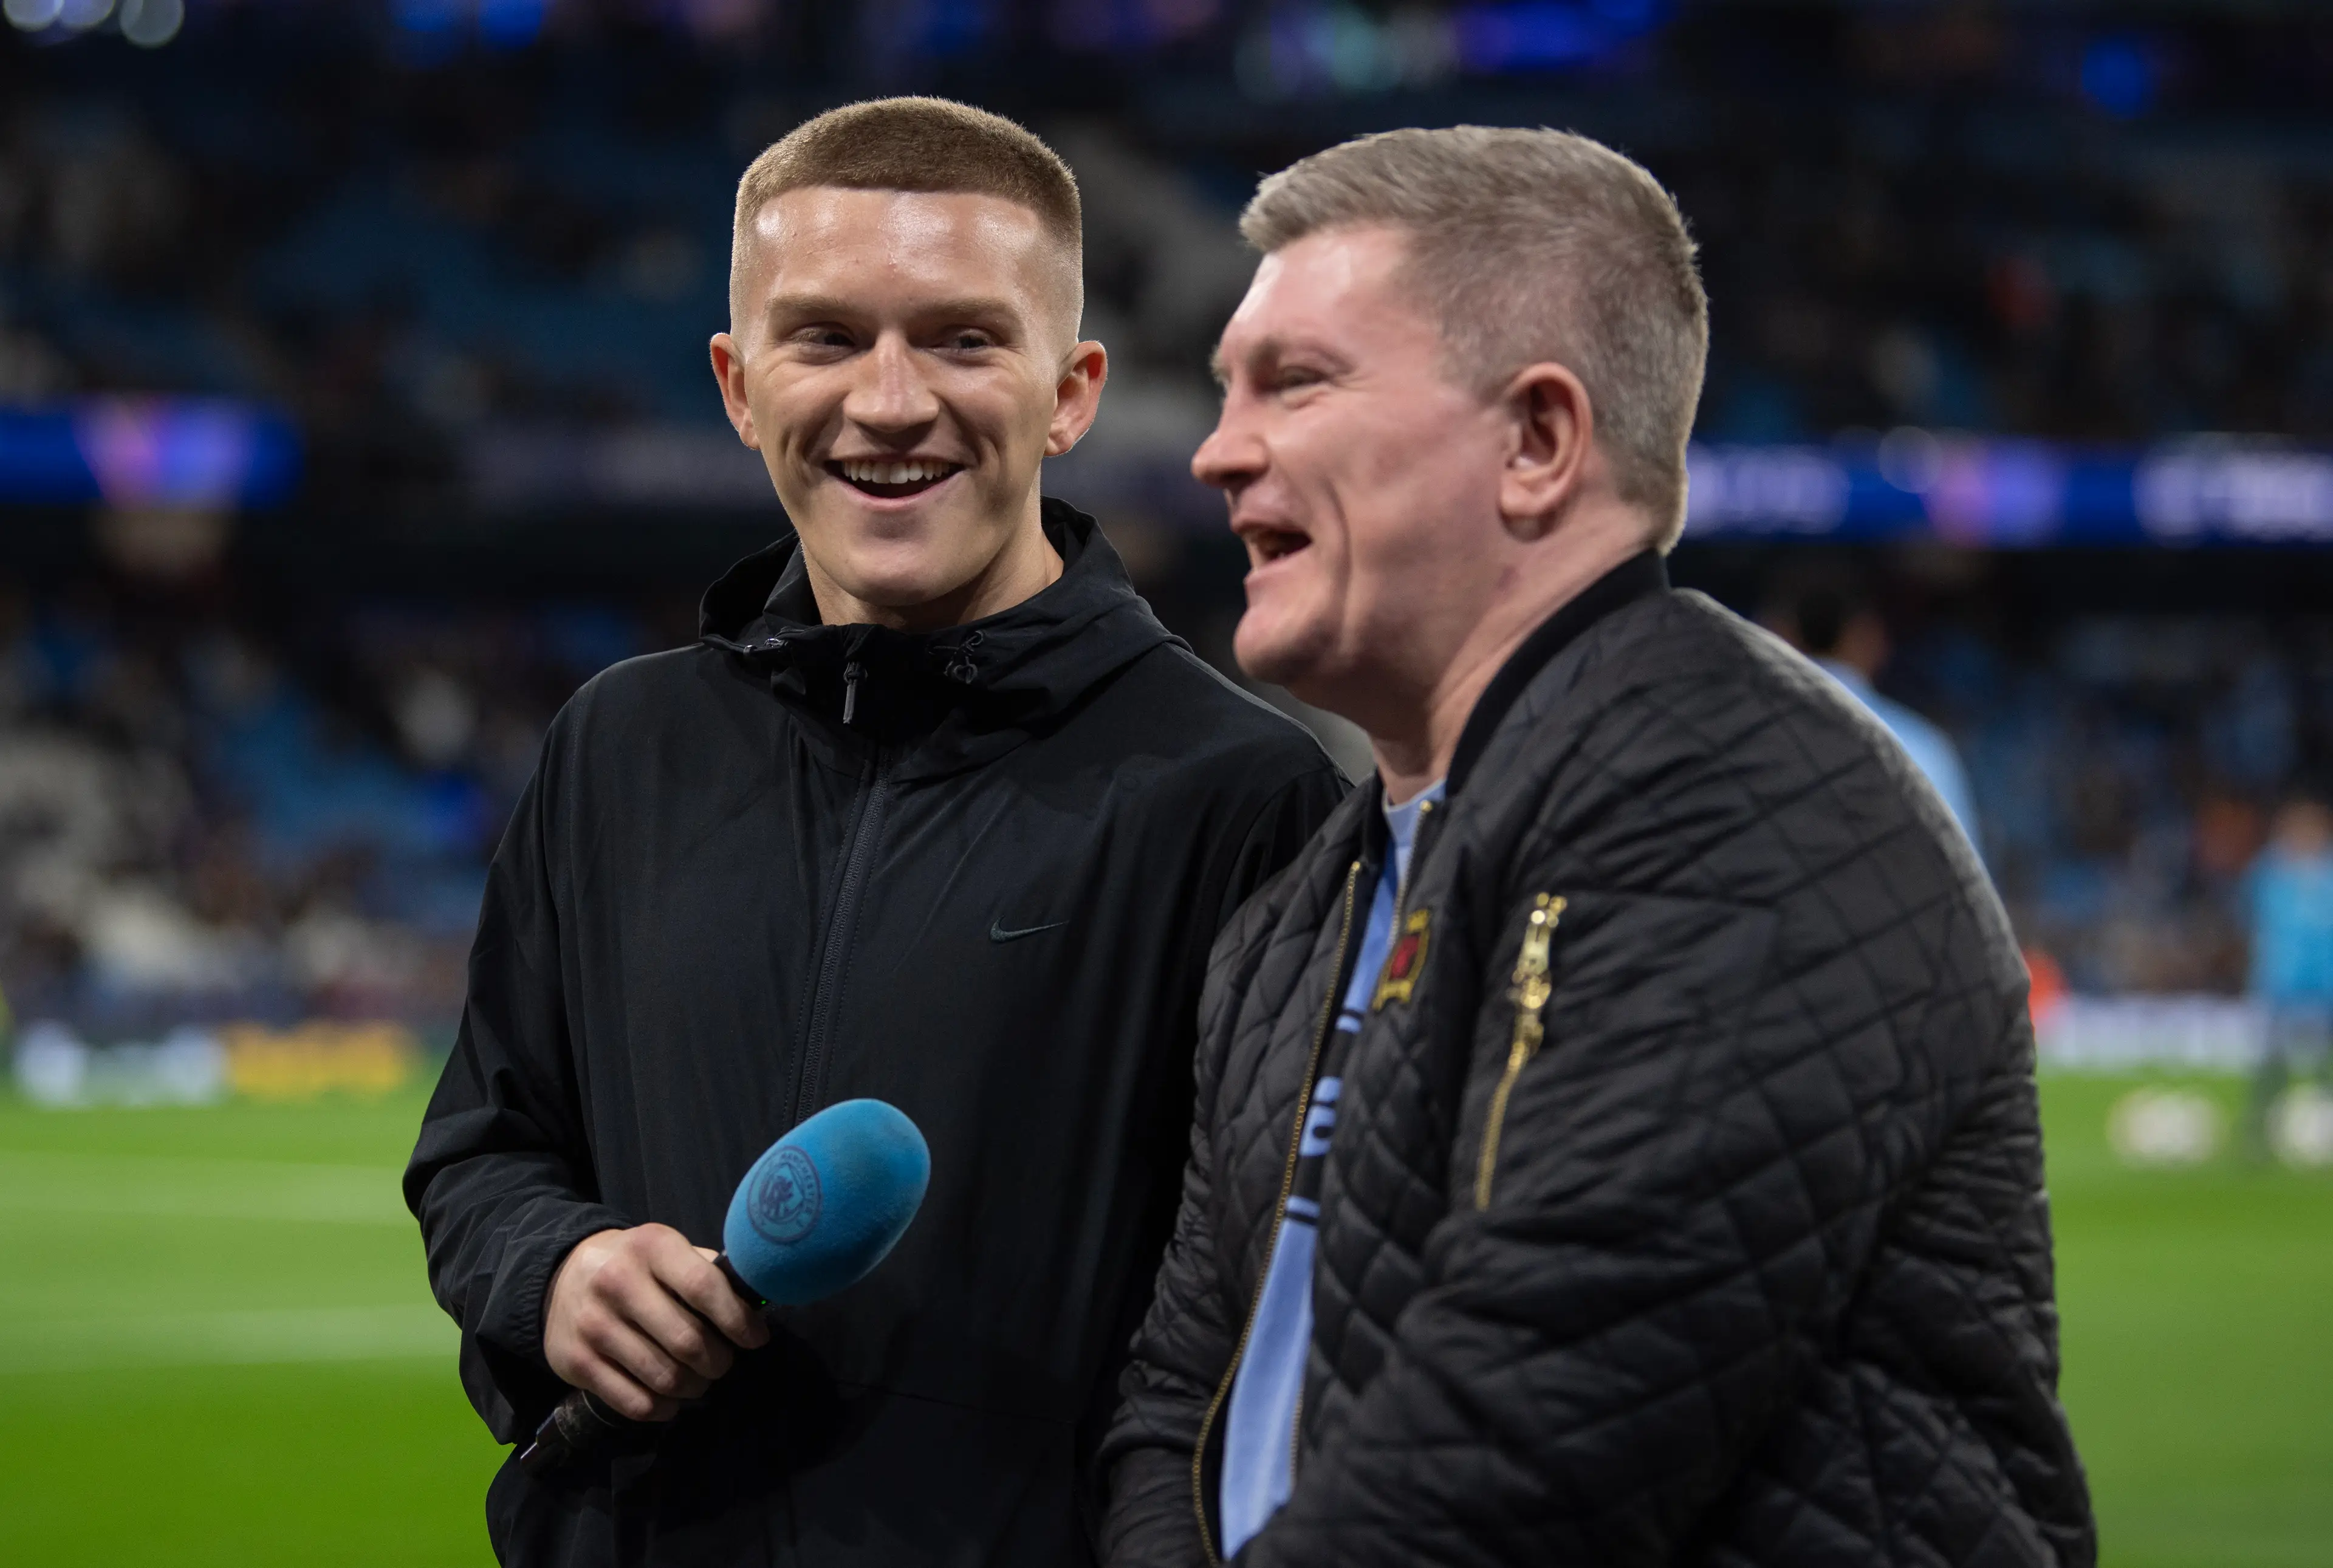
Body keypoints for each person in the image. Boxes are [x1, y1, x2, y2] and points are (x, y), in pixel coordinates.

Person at [1101, 126, 2093, 1567]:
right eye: (1222, 388)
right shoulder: (1297, 911)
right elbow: (1175, 1399)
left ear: (1536, 441)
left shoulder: (1741, 801)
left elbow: (1529, 1430)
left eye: (1294, 382)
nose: (1215, 448)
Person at [405, 98, 1346, 1566]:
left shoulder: (1241, 793)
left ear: (1072, 388)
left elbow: (1276, 1319)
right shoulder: (617, 747)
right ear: (735, 380)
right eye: (825, 337)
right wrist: (557, 1268)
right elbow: (481, 1149)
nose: (890, 401)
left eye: (964, 339)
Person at [1782, 580, 1982, 847]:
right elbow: (1967, 876)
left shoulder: (1744, 740)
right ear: (1870, 638)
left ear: (1782, 634)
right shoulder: (1919, 747)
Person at [2242, 795, 2333, 1159]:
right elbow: (2261, 922)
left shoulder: (2327, 873)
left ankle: (2323, 1126)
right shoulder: (2271, 872)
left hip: (2326, 979)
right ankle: (2260, 1132)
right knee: (2273, 1062)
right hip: (2283, 978)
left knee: (2325, 1062)